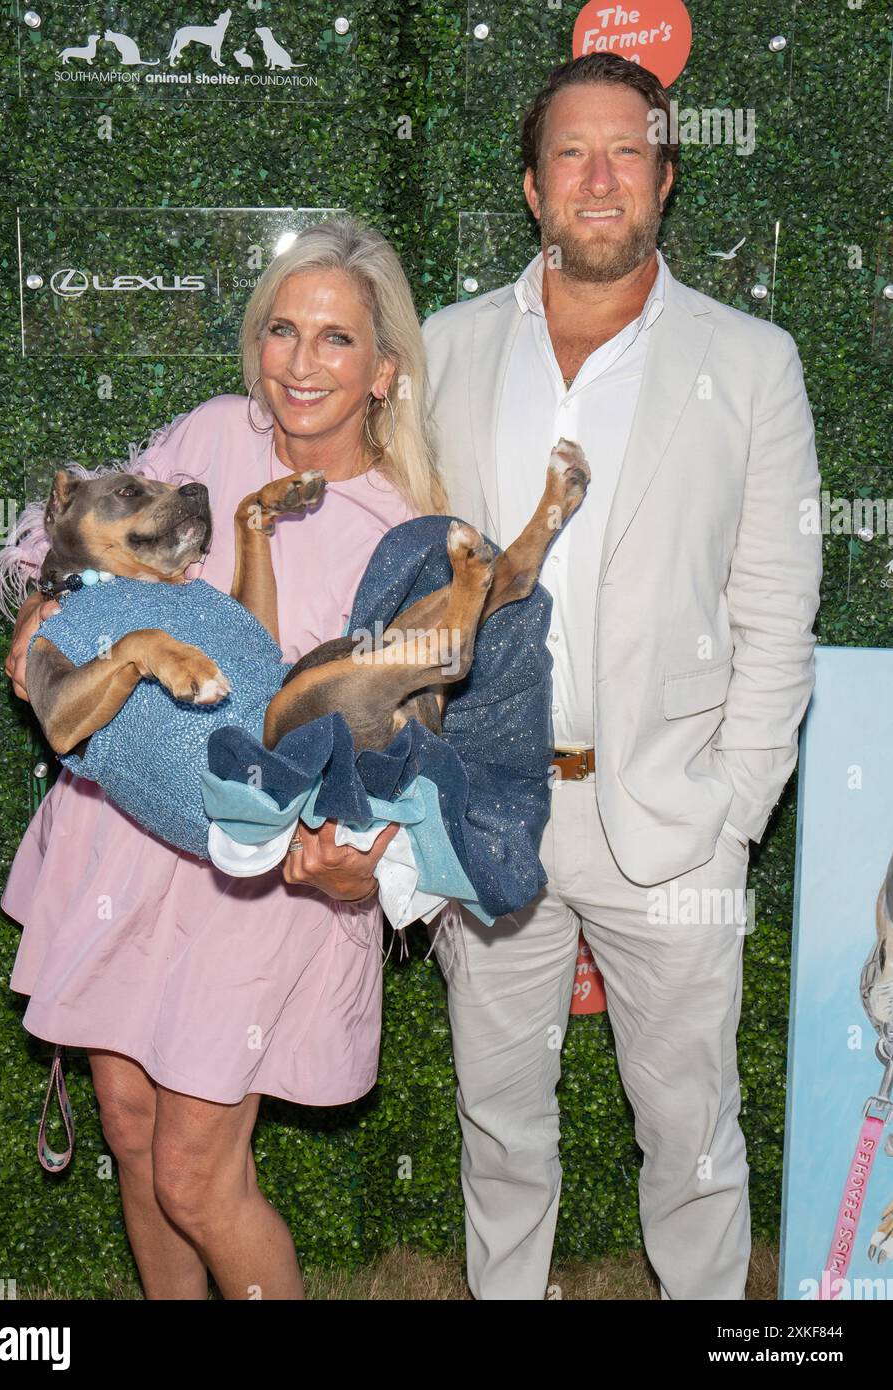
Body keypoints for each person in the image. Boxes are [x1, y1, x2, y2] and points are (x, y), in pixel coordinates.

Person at [417, 54, 823, 1299]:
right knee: (498, 1126)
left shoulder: (751, 361)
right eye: (570, 156)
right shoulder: (441, 350)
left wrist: (736, 803)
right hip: (489, 809)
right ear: (532, 190)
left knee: (693, 1136)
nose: (599, 179)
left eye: (626, 152)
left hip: (672, 818)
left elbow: (773, 601)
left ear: (663, 174)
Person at [0, 216, 448, 1300]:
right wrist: (41, 607)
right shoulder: (206, 438)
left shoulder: (412, 532)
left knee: (200, 1177)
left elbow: (414, 742)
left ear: (385, 368)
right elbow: (45, 536)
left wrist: (371, 858)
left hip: (261, 874)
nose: (300, 363)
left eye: (336, 340)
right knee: (133, 1128)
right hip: (121, 839)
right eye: (281, 331)